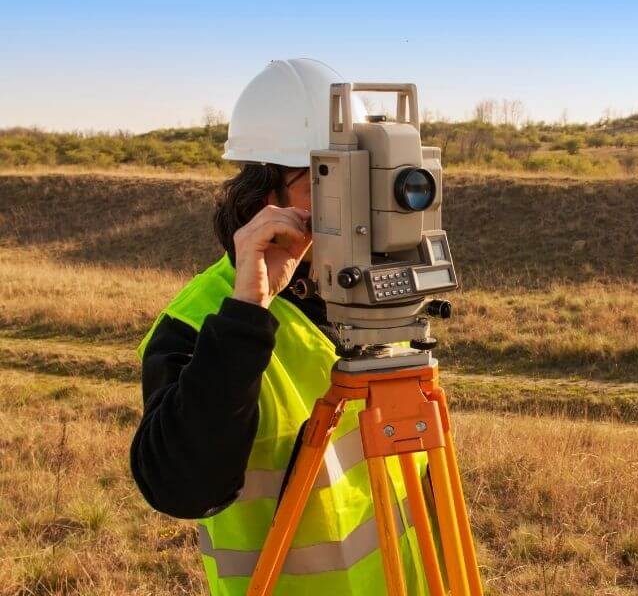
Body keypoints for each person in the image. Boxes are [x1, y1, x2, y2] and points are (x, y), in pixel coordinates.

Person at [130, 59, 431, 595]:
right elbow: (179, 487)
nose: (362, 205)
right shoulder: (199, 322)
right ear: (268, 198)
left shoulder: (375, 309)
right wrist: (249, 311)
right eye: (332, 180)